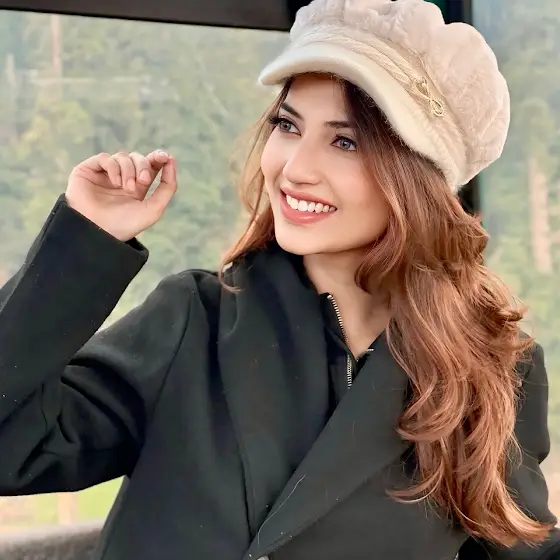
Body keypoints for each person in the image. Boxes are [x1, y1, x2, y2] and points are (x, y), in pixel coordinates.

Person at [0, 0, 558, 558]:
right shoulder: (195, 321)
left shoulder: (491, 367)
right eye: (288, 126)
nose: (294, 168)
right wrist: (84, 242)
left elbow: (514, 541)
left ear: (418, 181)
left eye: (345, 141)